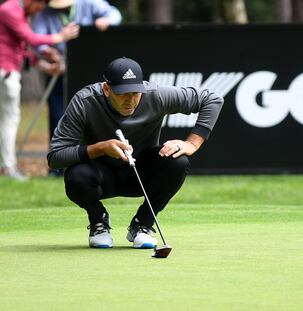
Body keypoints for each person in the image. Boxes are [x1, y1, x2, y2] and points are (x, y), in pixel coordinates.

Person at [47, 57, 224, 248]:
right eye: (122, 94)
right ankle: (99, 221)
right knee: (76, 176)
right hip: (99, 176)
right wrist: (100, 148)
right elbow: (55, 157)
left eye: (135, 93)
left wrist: (192, 143)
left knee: (178, 162)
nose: (130, 101)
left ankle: (143, 224)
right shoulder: (85, 101)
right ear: (107, 89)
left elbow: (212, 99)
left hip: (140, 173)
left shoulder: (155, 95)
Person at [31, 0, 122, 176]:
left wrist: (106, 21)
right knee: (58, 116)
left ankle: (98, 161)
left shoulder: (89, 3)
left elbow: (115, 14)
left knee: (94, 114)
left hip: (89, 68)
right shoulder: (45, 13)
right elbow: (37, 39)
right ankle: (58, 166)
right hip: (60, 70)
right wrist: (46, 50)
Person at [0, 0, 79, 180]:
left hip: (8, 71)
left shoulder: (21, 13)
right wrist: (60, 37)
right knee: (9, 121)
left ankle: (5, 166)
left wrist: (44, 64)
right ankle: (8, 168)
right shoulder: (9, 9)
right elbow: (31, 38)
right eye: (39, 5)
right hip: (5, 72)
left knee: (6, 120)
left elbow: (22, 49)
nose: (39, 11)